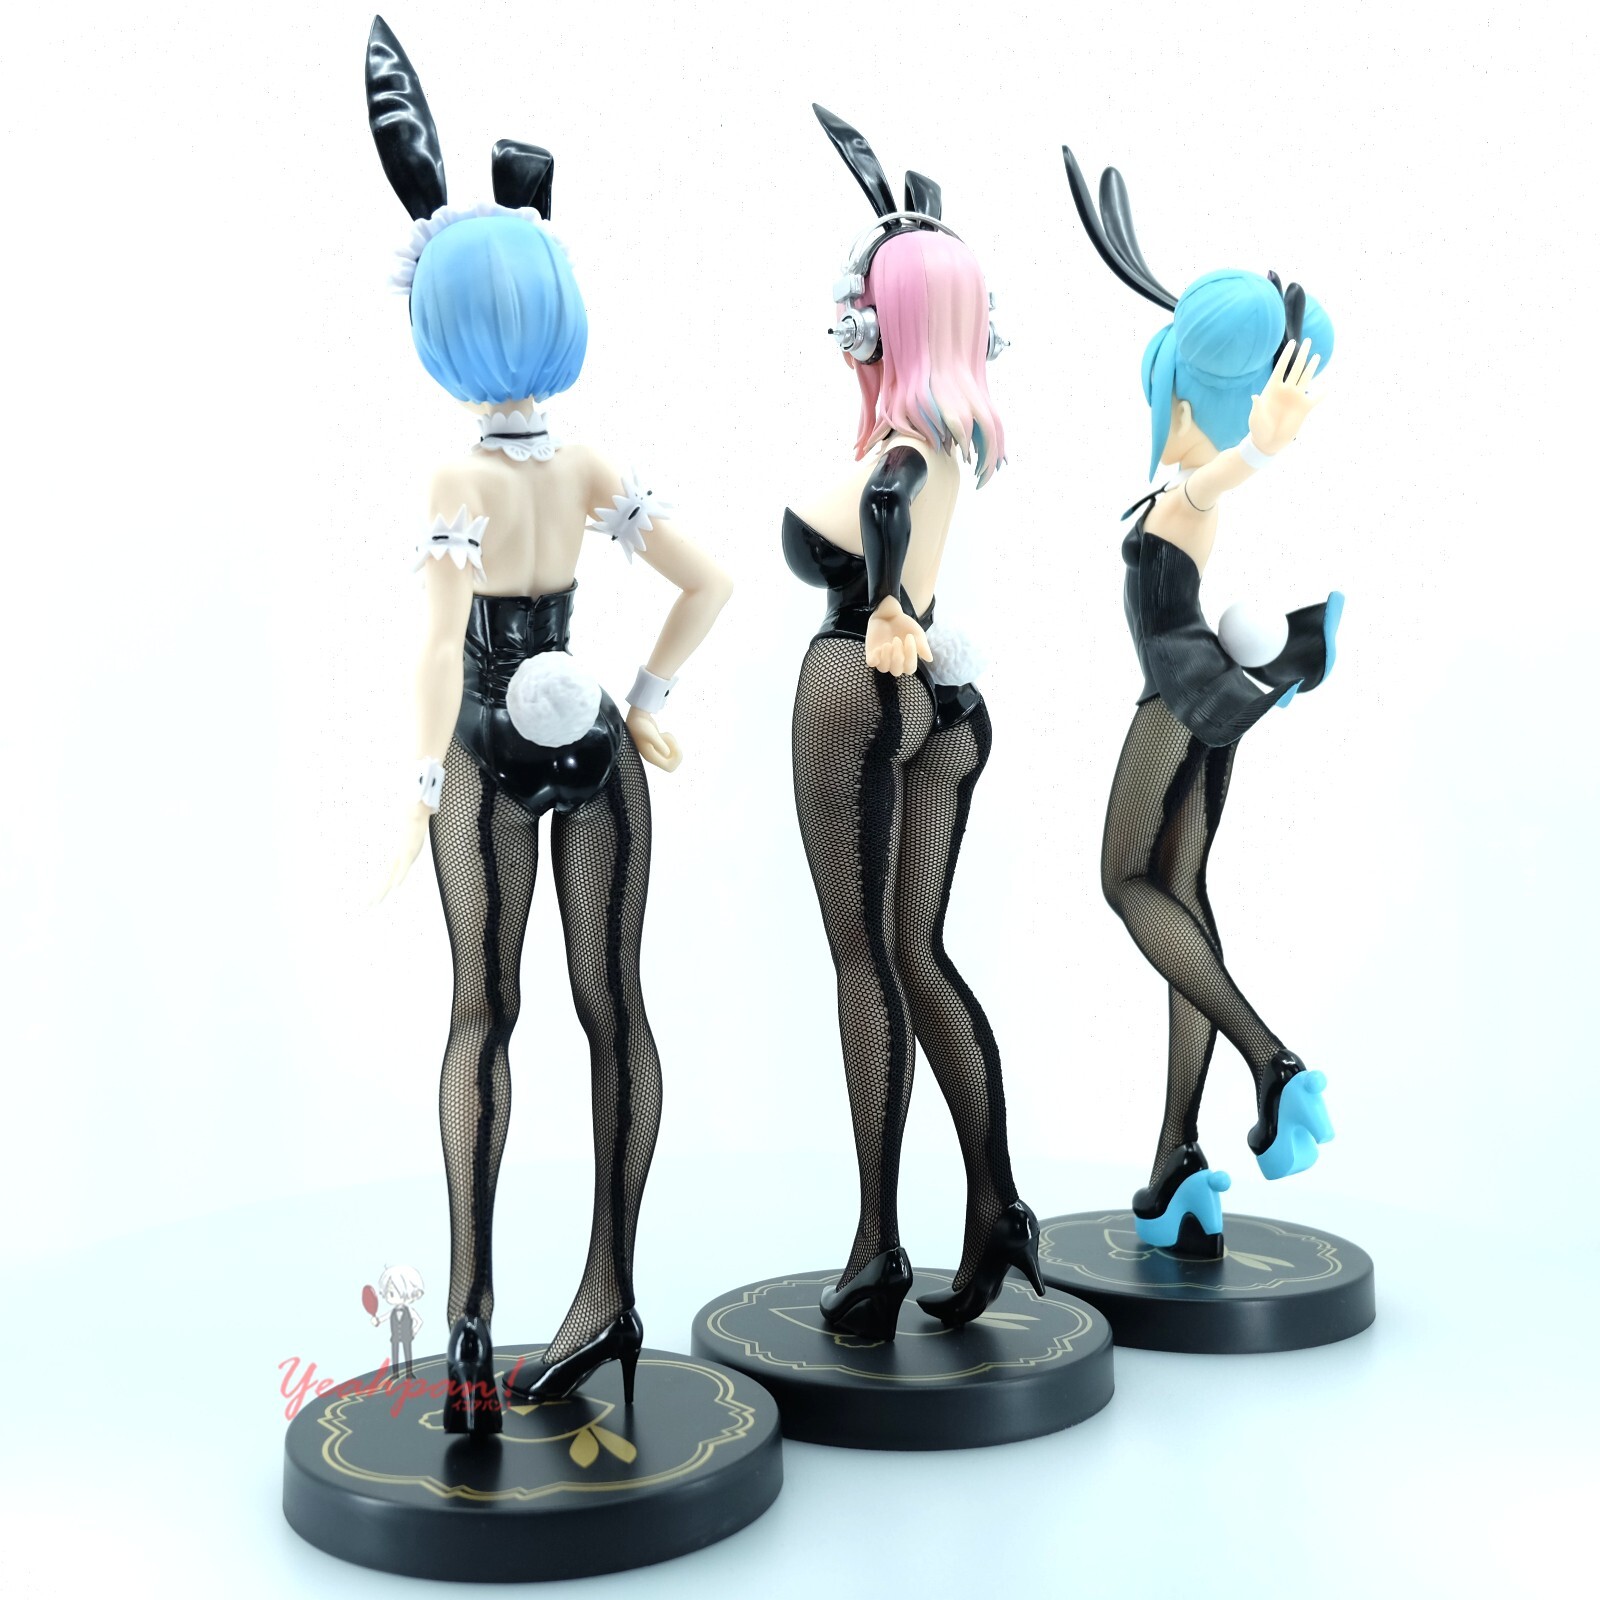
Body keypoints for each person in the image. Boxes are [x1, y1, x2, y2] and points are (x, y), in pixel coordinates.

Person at [365, 17, 732, 1432]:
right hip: (594, 747)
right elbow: (708, 581)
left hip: (484, 742)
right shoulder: (583, 465)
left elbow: (437, 639)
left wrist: (418, 783)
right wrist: (646, 702)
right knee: (612, 1010)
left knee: (483, 1015)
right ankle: (607, 1295)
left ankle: (471, 1321)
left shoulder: (457, 477)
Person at [784, 106, 1040, 1341]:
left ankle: (876, 1242)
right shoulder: (947, 436)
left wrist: (883, 602)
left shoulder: (902, 448)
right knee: (916, 952)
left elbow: (882, 503)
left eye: (860, 311)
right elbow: (893, 496)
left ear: (883, 322)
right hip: (943, 703)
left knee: (865, 961)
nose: (848, 326)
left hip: (864, 680)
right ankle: (996, 1205)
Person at [1062, 147, 1340, 1259]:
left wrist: (1260, 448)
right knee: (1177, 896)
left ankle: (1274, 1065)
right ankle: (1178, 1162)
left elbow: (1211, 481)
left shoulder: (1188, 490)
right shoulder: (1173, 480)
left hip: (1175, 699)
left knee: (1124, 882)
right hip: (1200, 699)